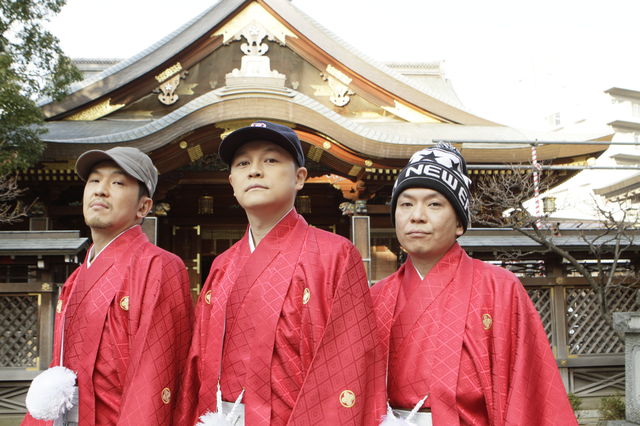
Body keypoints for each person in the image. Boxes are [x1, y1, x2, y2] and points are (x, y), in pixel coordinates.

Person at [176, 121, 385, 425]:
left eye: (271, 160)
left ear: (300, 177)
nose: (255, 171)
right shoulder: (222, 265)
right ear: (232, 181)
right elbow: (197, 366)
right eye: (243, 163)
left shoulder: (334, 256)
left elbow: (348, 363)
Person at [371, 143, 577, 425]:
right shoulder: (376, 297)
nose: (416, 215)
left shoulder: (499, 288)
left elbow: (531, 389)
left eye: (434, 204)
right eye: (406, 204)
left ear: (459, 223)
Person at [22, 147, 194, 425]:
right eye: (94, 180)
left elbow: (153, 376)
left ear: (143, 207)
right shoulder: (75, 278)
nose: (100, 190)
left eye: (117, 182)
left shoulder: (158, 266)